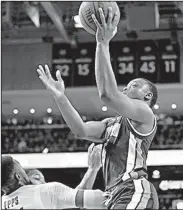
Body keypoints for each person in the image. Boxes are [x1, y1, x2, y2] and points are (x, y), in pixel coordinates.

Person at [37, 8, 159, 210]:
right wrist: (60, 97)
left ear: (147, 96)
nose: (127, 87)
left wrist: (102, 43)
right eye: (127, 86)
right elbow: (80, 131)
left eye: (135, 85)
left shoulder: (145, 115)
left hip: (134, 189)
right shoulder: (111, 125)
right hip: (113, 194)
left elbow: (107, 94)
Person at [2, 144, 107, 209]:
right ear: (18, 177)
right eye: (20, 165)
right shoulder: (45, 192)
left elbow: (71, 199)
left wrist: (92, 169)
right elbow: (101, 200)